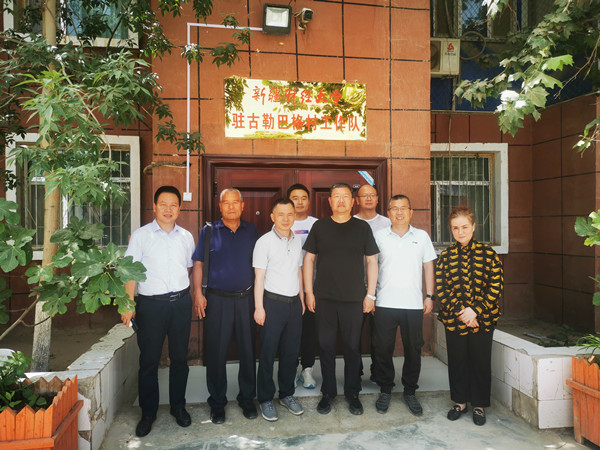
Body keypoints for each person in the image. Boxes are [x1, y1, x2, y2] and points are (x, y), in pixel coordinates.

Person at [121, 186, 195, 437]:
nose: (168, 209)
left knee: (180, 358)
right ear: (154, 207)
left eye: (173, 205)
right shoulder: (141, 236)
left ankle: (178, 407)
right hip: (151, 306)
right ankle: (148, 413)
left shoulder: (186, 236)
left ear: (179, 208)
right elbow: (130, 271)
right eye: (163, 204)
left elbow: (187, 268)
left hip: (181, 304)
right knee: (149, 361)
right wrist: (128, 303)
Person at [303, 183, 379, 416]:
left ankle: (352, 393)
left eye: (346, 196)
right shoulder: (320, 226)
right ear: (330, 201)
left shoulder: (362, 228)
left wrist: (370, 294)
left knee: (352, 348)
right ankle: (328, 393)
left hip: (354, 299)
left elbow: (372, 261)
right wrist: (309, 292)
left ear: (353, 201)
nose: (341, 200)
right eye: (336, 196)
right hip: (324, 298)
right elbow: (309, 260)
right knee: (326, 347)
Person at [192, 188, 259, 424]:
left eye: (235, 202)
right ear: (220, 206)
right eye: (226, 203)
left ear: (242, 205)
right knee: (216, 352)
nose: (231, 207)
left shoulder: (252, 231)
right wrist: (197, 293)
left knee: (248, 351)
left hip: (246, 300)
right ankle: (217, 402)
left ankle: (247, 398)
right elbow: (198, 264)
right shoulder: (209, 231)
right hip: (217, 300)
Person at [435, 205, 503, 426]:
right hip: (455, 319)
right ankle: (460, 402)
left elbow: (495, 286)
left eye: (465, 227)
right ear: (451, 230)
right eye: (455, 228)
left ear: (473, 227)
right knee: (458, 361)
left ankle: (479, 405)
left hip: (483, 319)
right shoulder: (446, 257)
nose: (460, 232)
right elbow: (442, 289)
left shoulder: (489, 254)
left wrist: (475, 311)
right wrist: (462, 313)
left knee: (480, 361)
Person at [372, 194, 437, 416]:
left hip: (413, 304)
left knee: (413, 349)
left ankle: (410, 391)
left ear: (411, 212)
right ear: (388, 213)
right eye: (394, 208)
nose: (399, 212)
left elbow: (428, 266)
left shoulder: (421, 236)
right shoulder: (379, 236)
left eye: (403, 208)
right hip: (384, 302)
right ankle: (385, 389)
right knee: (383, 349)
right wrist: (370, 295)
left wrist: (429, 296)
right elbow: (370, 266)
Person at [253, 198, 305, 421]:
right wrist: (259, 307)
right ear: (272, 217)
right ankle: (265, 398)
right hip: (272, 303)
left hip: (294, 304)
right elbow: (259, 277)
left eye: (289, 214)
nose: (285, 218)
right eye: (281, 214)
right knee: (268, 352)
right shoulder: (263, 242)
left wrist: (302, 298)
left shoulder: (297, 240)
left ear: (294, 216)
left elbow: (299, 271)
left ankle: (286, 394)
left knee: (291, 353)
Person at [354, 183, 391, 383]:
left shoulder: (388, 223)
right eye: (364, 195)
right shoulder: (350, 223)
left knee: (381, 335)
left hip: (382, 288)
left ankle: (379, 372)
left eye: (372, 195)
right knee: (353, 334)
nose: (368, 198)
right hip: (354, 287)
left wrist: (375, 292)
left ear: (377, 199)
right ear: (357, 200)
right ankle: (355, 372)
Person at [287, 183, 318, 389]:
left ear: (309, 201)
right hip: (287, 289)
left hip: (311, 288)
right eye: (295, 198)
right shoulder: (282, 222)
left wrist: (310, 291)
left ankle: (307, 370)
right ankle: (289, 370)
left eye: (303, 198)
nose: (299, 202)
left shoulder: (317, 224)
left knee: (309, 331)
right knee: (289, 332)